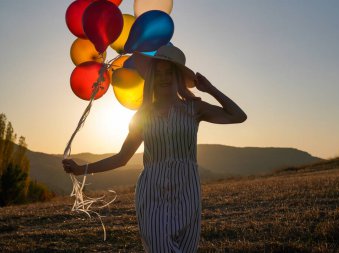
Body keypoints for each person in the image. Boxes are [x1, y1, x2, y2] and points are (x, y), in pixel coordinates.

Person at [62, 45, 247, 252]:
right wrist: (81, 169)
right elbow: (122, 158)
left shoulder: (194, 108)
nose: (164, 77)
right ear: (150, 77)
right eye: (158, 73)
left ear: (177, 76)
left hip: (187, 192)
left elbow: (238, 116)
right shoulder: (142, 116)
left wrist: (210, 88)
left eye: (169, 72)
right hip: (152, 193)